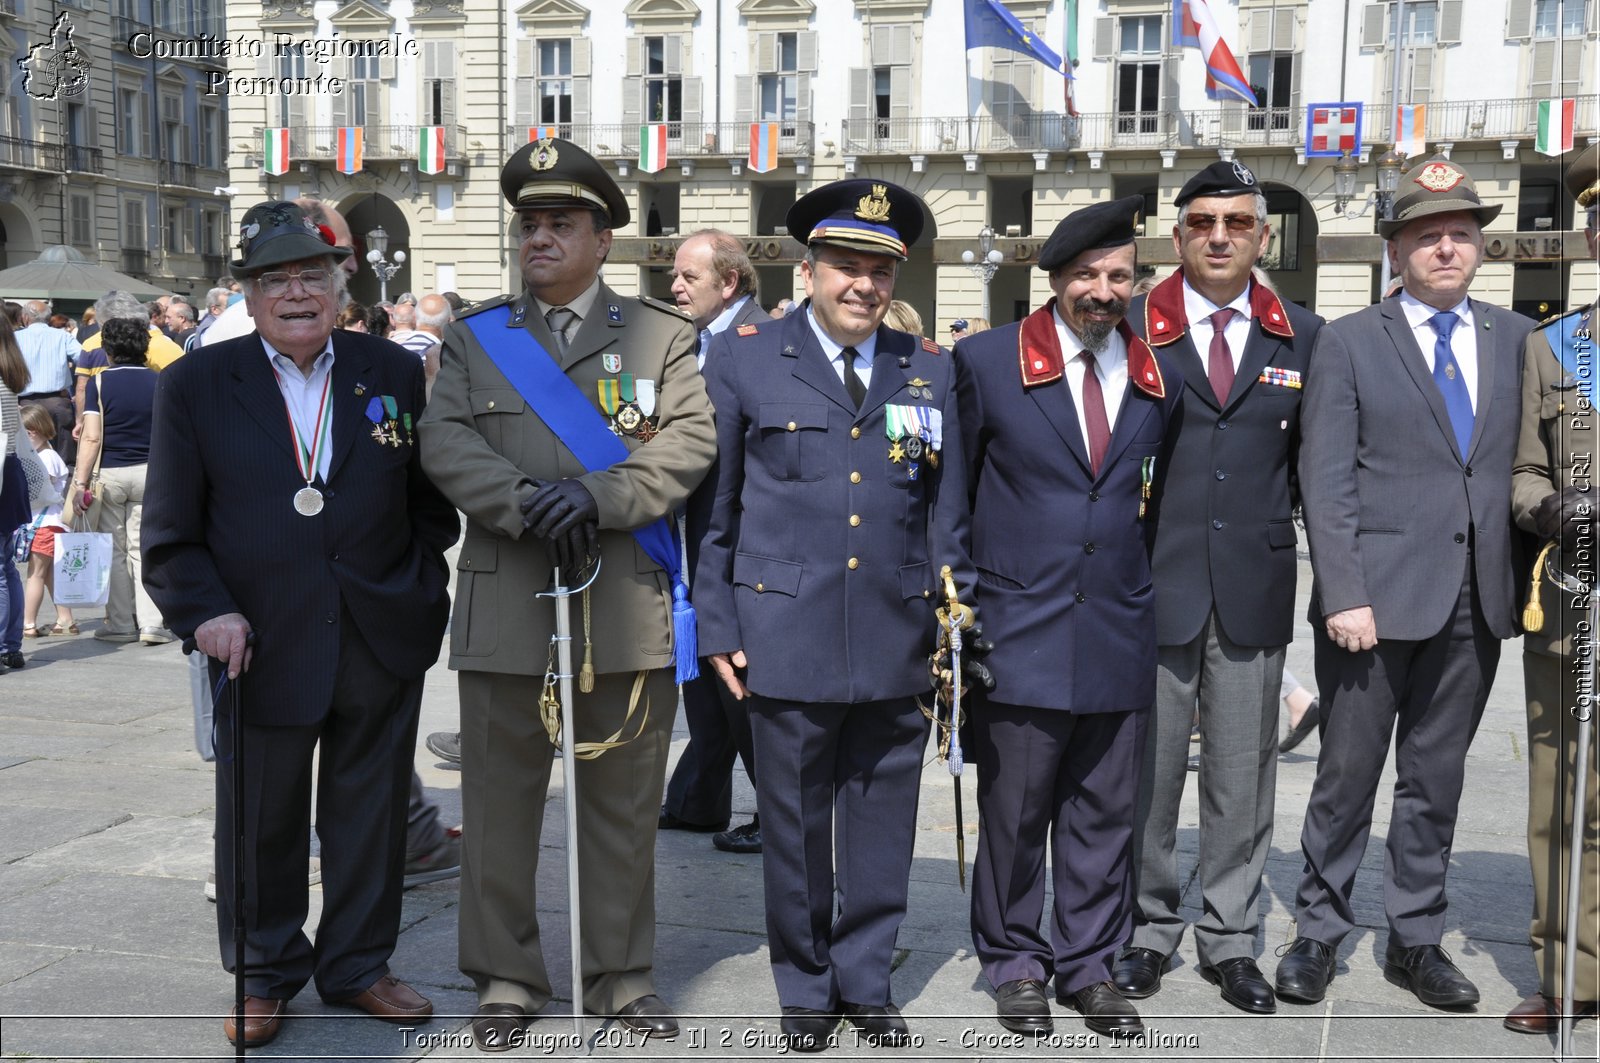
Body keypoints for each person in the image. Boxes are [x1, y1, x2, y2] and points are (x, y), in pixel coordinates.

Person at [417, 137, 715, 1052]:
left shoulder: (662, 336)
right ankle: (506, 977)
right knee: (502, 806)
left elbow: (688, 443)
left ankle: (622, 978)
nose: (538, 238)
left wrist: (595, 493)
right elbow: (446, 442)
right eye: (529, 224)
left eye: (560, 224)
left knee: (622, 809)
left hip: (622, 605)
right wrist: (525, 507)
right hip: (509, 597)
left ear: (603, 240)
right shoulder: (475, 339)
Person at [142, 201, 458, 1048]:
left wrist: (417, 584)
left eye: (310, 276)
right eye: (274, 280)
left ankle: (358, 965)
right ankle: (263, 972)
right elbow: (170, 532)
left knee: (369, 815)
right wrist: (206, 611)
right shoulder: (197, 384)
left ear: (339, 282)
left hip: (377, 630)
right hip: (259, 639)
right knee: (261, 821)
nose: (294, 293)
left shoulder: (388, 369)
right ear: (247, 295)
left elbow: (431, 504)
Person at [696, 178, 978, 1052]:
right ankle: (806, 988)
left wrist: (951, 617)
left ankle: (867, 979)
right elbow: (718, 510)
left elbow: (946, 511)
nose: (863, 285)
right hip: (782, 631)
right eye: (846, 266)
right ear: (809, 269)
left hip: (896, 636)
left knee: (883, 825)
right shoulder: (745, 359)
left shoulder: (927, 368)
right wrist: (719, 626)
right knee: (793, 827)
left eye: (879, 271)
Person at [1277, 157, 1534, 1010]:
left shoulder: (1517, 339)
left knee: (1438, 778)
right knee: (1346, 775)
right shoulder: (1350, 342)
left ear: (1480, 248)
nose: (1447, 247)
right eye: (1428, 236)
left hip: (1476, 597)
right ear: (1396, 251)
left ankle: (1415, 936)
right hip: (1374, 602)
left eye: (1461, 233)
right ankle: (1319, 928)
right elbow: (1327, 479)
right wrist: (1342, 591)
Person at [953, 197, 1181, 1039]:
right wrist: (962, 607)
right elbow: (956, 495)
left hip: (1117, 627)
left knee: (1102, 814)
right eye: (1087, 274)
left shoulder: (1158, 376)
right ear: (1054, 280)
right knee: (1014, 814)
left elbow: (1147, 505)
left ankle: (1089, 964)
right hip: (1018, 626)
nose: (1103, 289)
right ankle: (1014, 960)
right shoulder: (985, 362)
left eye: (1119, 275)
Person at [1114, 161, 1324, 1016]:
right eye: (1202, 221)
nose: (1219, 235)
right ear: (1177, 235)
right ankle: (1146, 926)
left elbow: (1318, 469)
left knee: (1243, 776)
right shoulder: (1131, 323)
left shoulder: (1303, 334)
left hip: (1253, 581)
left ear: (1262, 237)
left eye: (1238, 222)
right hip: (1150, 580)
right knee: (1148, 773)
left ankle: (1232, 936)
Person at [1505, 143, 1600, 1034]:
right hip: (1575, 603)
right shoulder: (1557, 345)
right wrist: (1552, 508)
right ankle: (1572, 968)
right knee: (1563, 792)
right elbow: (1524, 469)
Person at [659, 228, 767, 855]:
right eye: (675, 275)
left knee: (736, 682)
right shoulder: (691, 341)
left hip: (737, 538)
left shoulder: (757, 342)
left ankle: (776, 813)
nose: (675, 286)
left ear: (728, 283)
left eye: (688, 277)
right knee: (700, 672)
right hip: (688, 533)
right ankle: (698, 800)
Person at [73, 318, 171, 645]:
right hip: (151, 472)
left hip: (110, 474)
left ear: (108, 349)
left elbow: (90, 438)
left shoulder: (100, 383)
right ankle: (153, 623)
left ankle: (119, 623)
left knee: (114, 552)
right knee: (144, 549)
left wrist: (79, 484)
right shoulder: (160, 380)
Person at [0, 320, 52, 675]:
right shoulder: (8, 375)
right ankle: (9, 647)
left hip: (4, 473)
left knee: (2, 569)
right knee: (5, 568)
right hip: (10, 472)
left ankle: (6, 646)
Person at [18, 404, 75, 639]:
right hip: (48, 524)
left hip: (45, 524)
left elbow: (39, 489)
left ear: (36, 432)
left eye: (24, 434)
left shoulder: (46, 457)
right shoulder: (45, 455)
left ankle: (28, 623)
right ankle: (66, 619)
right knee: (49, 574)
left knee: (35, 574)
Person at [15, 299, 82, 465]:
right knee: (64, 458)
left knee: (28, 456)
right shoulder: (63, 336)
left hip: (26, 403)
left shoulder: (14, 338)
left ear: (25, 317)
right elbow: (83, 358)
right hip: (58, 401)